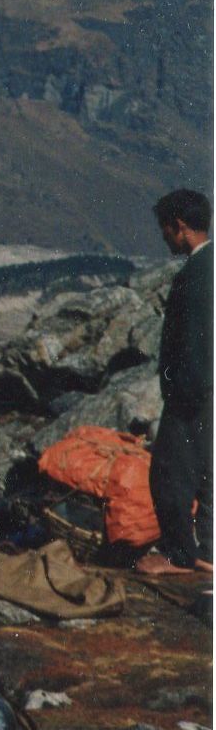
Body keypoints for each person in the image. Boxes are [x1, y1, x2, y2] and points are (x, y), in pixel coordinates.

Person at [139, 189, 212, 577]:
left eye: (165, 229)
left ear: (179, 227)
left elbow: (197, 340)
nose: (164, 237)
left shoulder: (197, 275)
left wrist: (184, 392)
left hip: (194, 392)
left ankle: (179, 555)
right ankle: (207, 553)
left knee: (170, 472)